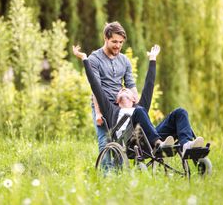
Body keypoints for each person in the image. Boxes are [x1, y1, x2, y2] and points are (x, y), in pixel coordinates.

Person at [73, 44, 205, 155]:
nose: (123, 88)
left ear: (133, 98)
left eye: (127, 89)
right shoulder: (111, 109)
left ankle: (186, 144)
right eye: (121, 89)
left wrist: (152, 58)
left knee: (180, 112)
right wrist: (85, 59)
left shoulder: (138, 106)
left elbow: (149, 85)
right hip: (132, 143)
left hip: (150, 137)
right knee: (140, 111)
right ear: (117, 100)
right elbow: (95, 84)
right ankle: (159, 144)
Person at [88, 22, 139, 153]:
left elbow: (131, 84)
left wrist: (138, 106)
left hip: (120, 105)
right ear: (105, 38)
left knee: (122, 141)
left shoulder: (125, 60)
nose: (118, 46)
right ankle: (106, 173)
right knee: (105, 141)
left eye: (121, 42)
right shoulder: (94, 59)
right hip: (103, 105)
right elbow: (96, 88)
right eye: (114, 42)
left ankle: (119, 173)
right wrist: (98, 113)